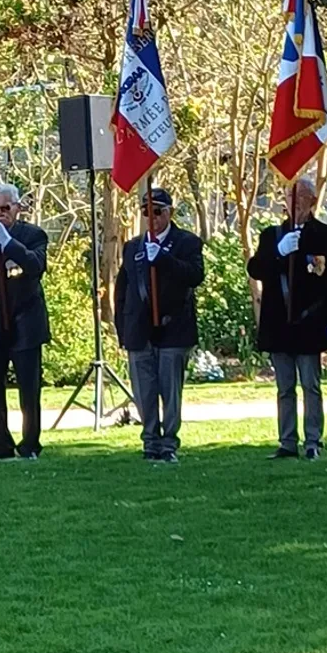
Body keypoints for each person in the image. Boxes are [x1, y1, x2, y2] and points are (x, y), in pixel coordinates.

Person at [247, 175, 327, 461]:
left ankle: (313, 440)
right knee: (284, 388)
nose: (294, 204)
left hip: (310, 323)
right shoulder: (273, 236)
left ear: (313, 202)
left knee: (310, 385)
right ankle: (287, 441)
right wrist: (279, 253)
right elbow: (256, 269)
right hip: (279, 324)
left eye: (301, 198)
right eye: (290, 198)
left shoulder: (325, 236)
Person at [113, 188, 205, 463]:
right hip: (140, 330)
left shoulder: (187, 242)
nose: (151, 217)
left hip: (173, 328)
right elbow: (123, 290)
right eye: (146, 212)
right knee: (144, 391)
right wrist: (122, 329)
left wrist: (164, 259)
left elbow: (194, 276)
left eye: (157, 211)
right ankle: (150, 440)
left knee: (170, 390)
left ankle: (169, 443)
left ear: (169, 213)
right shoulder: (133, 247)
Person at [0, 183, 50, 460]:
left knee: (29, 389)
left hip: (25, 321)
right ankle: (0, 444)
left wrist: (9, 243)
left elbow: (35, 266)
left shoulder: (33, 234)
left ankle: (30, 444)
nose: (0, 213)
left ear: (17, 207)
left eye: (6, 208)